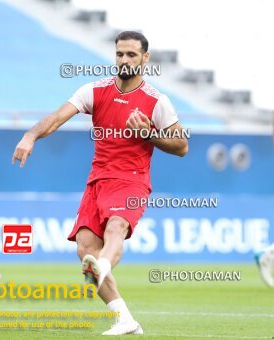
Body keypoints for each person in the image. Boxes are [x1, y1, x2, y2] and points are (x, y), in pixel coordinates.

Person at [12, 31, 188, 335]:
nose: (124, 60)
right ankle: (125, 319)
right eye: (120, 54)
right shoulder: (95, 91)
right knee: (85, 248)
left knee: (115, 229)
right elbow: (55, 118)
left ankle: (102, 268)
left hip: (132, 181)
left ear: (145, 59)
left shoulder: (157, 101)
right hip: (97, 180)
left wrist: (148, 134)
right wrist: (30, 136)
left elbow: (182, 145)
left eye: (131, 54)